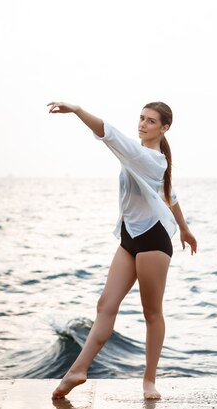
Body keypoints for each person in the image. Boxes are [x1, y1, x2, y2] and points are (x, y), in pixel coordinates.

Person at [46, 101, 198, 400]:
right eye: (141, 118)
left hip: (153, 240)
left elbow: (109, 134)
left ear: (164, 128)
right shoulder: (147, 158)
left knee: (152, 313)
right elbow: (169, 193)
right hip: (130, 237)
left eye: (151, 121)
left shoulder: (151, 159)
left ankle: (149, 380)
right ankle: (78, 370)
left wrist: (77, 110)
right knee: (105, 305)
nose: (142, 124)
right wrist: (185, 228)